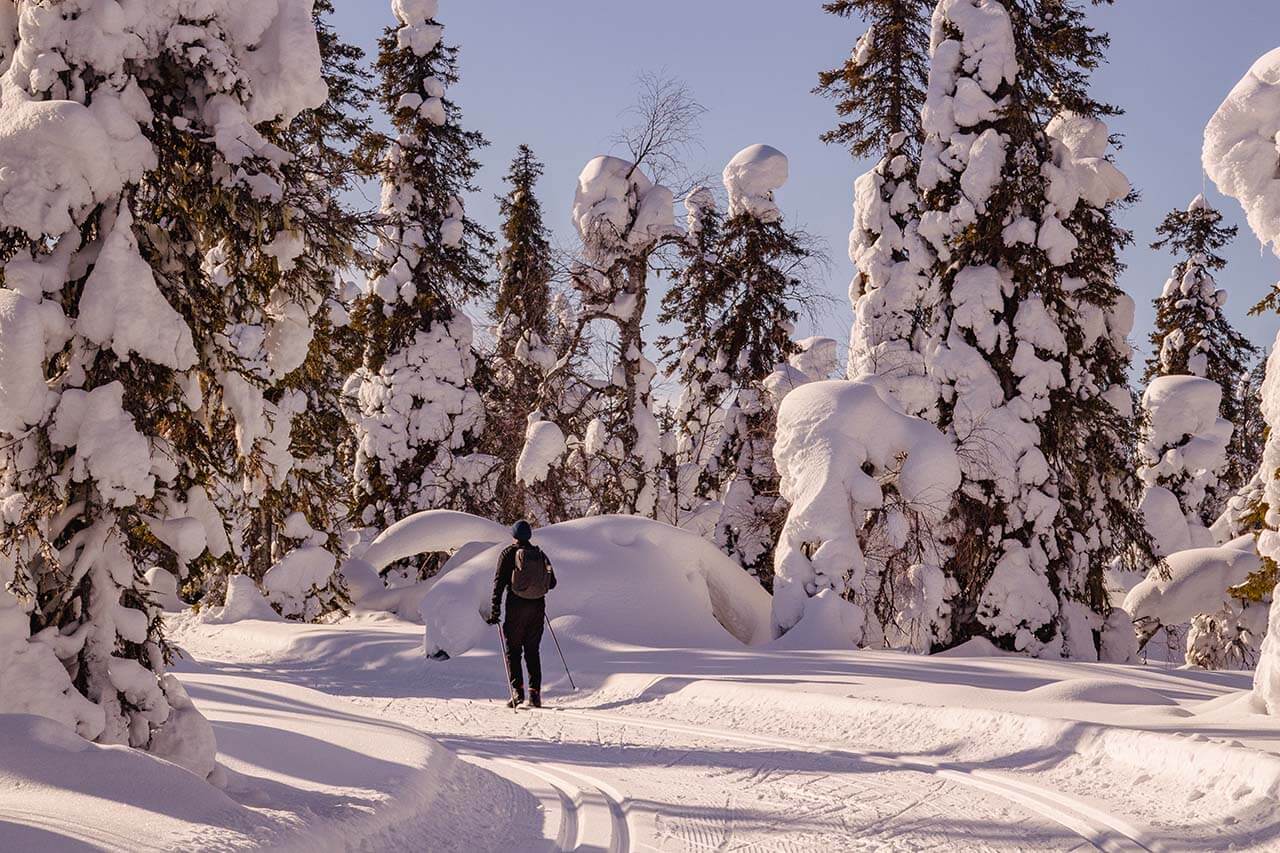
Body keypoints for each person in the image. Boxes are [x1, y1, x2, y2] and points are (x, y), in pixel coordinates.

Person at [487, 520, 556, 708]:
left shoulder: (508, 553)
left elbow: (499, 583)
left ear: (514, 535)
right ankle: (535, 695)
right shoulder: (541, 555)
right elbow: (552, 583)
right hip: (537, 608)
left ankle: (517, 692)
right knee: (533, 651)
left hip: (516, 608)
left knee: (514, 651)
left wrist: (495, 609)